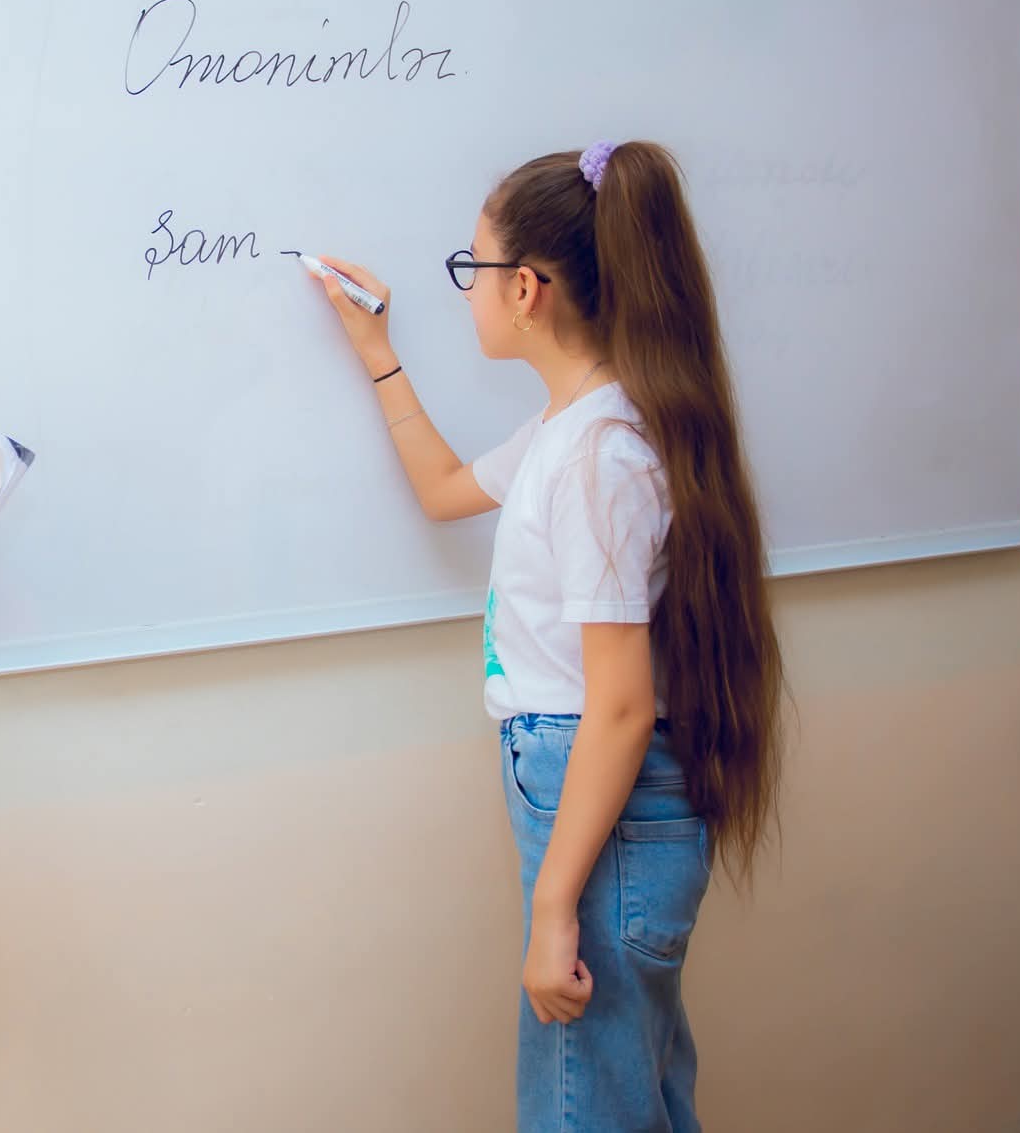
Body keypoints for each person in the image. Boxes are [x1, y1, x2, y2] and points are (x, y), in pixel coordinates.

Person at [311, 141, 785, 1132]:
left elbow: (615, 705)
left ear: (524, 289)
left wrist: (552, 908)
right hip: (584, 788)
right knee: (628, 1094)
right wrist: (377, 355)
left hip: (593, 793)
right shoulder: (573, 429)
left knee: (586, 1108)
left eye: (470, 269)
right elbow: (446, 492)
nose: (467, 290)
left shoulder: (596, 461)